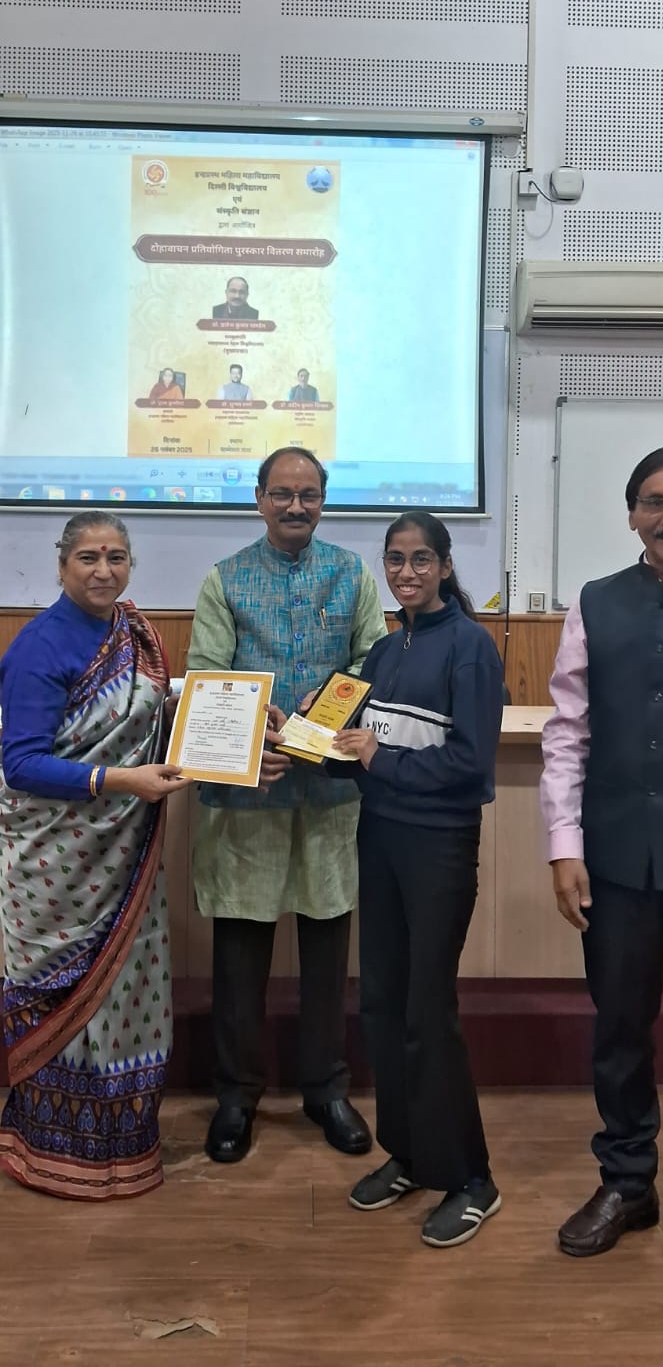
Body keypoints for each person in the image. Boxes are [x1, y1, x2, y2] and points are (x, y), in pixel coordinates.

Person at [541, 445, 663, 1289]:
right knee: (618, 1029)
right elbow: (567, 732)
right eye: (655, 501)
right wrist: (563, 846)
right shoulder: (594, 603)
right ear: (632, 514)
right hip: (615, 858)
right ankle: (626, 1182)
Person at [187, 446, 387, 1167]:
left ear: (324, 501)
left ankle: (326, 1091)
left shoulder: (353, 575)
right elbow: (206, 676)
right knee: (240, 955)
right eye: (282, 493)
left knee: (328, 951)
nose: (296, 506)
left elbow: (373, 661)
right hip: (249, 795)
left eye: (308, 494)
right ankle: (236, 1097)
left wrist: (323, 715)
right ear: (260, 499)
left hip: (330, 792)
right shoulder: (225, 579)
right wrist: (254, 743)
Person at [0, 511, 186, 1200]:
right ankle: (48, 1154)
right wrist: (122, 781)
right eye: (87, 557)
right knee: (60, 1002)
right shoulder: (38, 646)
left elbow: (152, 710)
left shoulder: (133, 633)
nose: (103, 570)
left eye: (115, 557)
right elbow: (21, 765)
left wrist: (248, 719)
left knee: (124, 1000)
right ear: (61, 566)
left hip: (120, 858)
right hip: (56, 870)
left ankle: (122, 1151)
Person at [332, 511, 504, 1248]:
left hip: (437, 849)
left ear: (444, 565)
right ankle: (408, 1154)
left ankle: (472, 1179)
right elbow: (351, 748)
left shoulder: (469, 646)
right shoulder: (383, 646)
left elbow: (470, 765)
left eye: (421, 559)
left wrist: (381, 760)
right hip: (380, 840)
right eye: (396, 560)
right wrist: (294, 737)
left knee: (428, 1011)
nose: (407, 572)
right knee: (382, 1004)